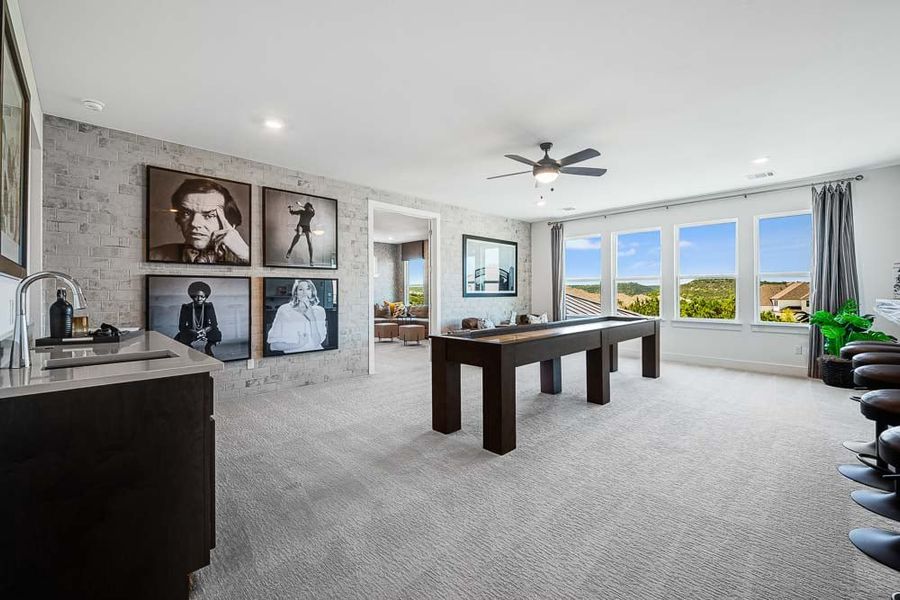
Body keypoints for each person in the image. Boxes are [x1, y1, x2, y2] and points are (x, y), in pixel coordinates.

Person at [149, 178, 250, 264]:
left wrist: (247, 255)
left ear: (231, 224)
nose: (194, 223)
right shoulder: (153, 256)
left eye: (209, 215)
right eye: (186, 213)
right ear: (179, 218)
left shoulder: (246, 258)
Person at [267, 280, 327, 353]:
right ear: (296, 293)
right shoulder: (284, 310)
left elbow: (317, 342)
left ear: (312, 292)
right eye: (301, 289)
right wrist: (298, 344)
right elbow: (273, 346)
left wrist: (312, 318)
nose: (305, 293)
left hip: (318, 353)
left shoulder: (320, 311)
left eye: (308, 289)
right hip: (292, 356)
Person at [174, 281, 222, 357]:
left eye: (202, 297)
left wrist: (204, 330)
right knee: (180, 337)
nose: (199, 299)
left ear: (205, 297)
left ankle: (208, 347)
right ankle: (191, 350)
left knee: (216, 333)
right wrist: (194, 332)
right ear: (192, 296)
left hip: (206, 331)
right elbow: (181, 326)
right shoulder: (186, 307)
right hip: (191, 331)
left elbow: (214, 324)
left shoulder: (208, 306)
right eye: (196, 296)